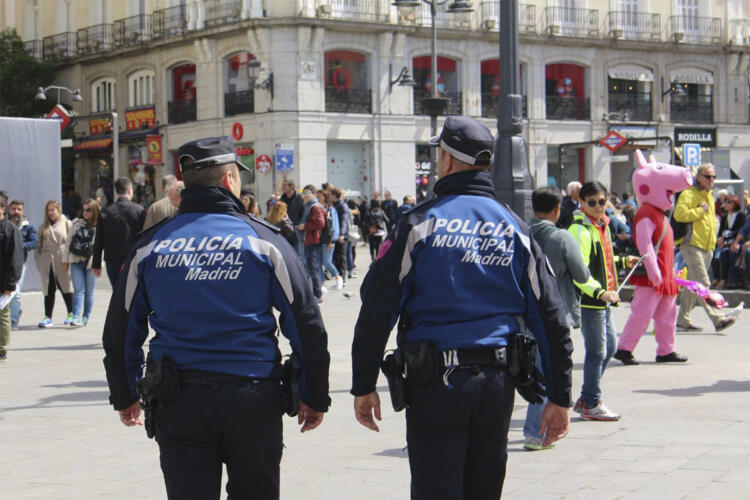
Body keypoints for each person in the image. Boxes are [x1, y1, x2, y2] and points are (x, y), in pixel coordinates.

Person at [351, 116, 573, 498]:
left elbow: (377, 305)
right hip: (497, 382)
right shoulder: (514, 227)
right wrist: (560, 395)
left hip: (435, 382)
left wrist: (363, 382)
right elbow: (551, 317)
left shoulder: (418, 222)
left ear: (448, 161)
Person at [102, 136, 330, 499]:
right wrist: (315, 394)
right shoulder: (264, 241)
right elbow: (305, 321)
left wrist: (124, 392)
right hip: (253, 397)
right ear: (229, 180)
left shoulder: (150, 246)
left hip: (179, 401)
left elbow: (120, 328)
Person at [523, 187, 589, 451]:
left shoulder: (519, 232)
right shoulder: (561, 237)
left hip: (520, 312)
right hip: (552, 311)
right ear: (557, 209)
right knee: (547, 369)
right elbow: (582, 275)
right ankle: (535, 433)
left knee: (527, 367)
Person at [614, 151, 693, 366]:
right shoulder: (646, 212)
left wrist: (669, 271)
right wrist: (653, 270)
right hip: (653, 277)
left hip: (664, 276)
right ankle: (624, 348)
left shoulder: (658, 213)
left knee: (667, 316)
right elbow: (644, 244)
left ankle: (667, 350)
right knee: (642, 314)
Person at [569, 181, 637, 421]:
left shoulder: (601, 225)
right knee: (597, 352)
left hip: (603, 299)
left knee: (608, 348)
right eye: (592, 203)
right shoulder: (581, 230)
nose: (598, 206)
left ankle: (587, 398)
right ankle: (590, 401)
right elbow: (580, 271)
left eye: (602, 201)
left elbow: (604, 261)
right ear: (582, 202)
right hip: (591, 301)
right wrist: (599, 293)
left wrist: (622, 261)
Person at [674, 164, 736, 332]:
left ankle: (683, 320)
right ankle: (718, 318)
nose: (712, 180)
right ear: (699, 177)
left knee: (693, 285)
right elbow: (679, 214)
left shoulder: (708, 195)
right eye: (708, 176)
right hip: (691, 244)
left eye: (714, 177)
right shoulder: (689, 193)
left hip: (707, 246)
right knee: (702, 283)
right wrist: (699, 211)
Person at [92, 177, 146, 287]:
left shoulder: (106, 212)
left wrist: (96, 264)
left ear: (117, 192)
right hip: (134, 257)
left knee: (117, 290)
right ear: (130, 190)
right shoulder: (139, 210)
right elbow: (145, 235)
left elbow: (99, 240)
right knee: (134, 290)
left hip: (113, 258)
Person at [35, 200, 74, 328]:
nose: (50, 213)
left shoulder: (67, 223)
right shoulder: (43, 226)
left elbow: (72, 242)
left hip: (62, 259)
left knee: (66, 287)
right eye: (48, 210)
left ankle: (71, 313)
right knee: (49, 289)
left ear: (58, 210)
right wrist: (38, 261)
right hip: (47, 261)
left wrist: (68, 259)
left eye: (53, 210)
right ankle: (48, 316)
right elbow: (38, 246)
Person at [62, 199, 100, 327]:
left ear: (94, 211)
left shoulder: (100, 225)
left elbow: (102, 246)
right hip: (76, 261)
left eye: (88, 210)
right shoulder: (76, 223)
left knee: (89, 292)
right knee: (79, 290)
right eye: (83, 210)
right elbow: (68, 242)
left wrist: (99, 263)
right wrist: (65, 259)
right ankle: (76, 316)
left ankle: (85, 317)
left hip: (92, 263)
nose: (85, 213)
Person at [7, 200, 39, 329]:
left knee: (16, 291)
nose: (16, 212)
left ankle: (13, 320)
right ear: (9, 210)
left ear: (23, 211)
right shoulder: (5, 225)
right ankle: (13, 313)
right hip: (4, 264)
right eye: (14, 209)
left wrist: (19, 246)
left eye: (19, 209)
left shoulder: (28, 227)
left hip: (20, 263)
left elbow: (34, 242)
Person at [297, 185, 326, 303]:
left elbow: (320, 223)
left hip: (313, 241)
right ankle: (314, 293)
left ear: (314, 194)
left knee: (313, 268)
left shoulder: (314, 207)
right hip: (309, 240)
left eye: (307, 193)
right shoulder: (308, 207)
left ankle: (317, 295)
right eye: (303, 194)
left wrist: (305, 226)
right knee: (310, 267)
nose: (305, 196)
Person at [0, 212, 23, 361]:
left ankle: (2, 349)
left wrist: (10, 283)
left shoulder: (10, 229)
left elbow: (16, 258)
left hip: (2, 281)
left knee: (2, 314)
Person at [712, 195, 745, 289]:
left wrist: (727, 243)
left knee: (727, 253)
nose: (725, 204)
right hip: (725, 242)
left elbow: (740, 232)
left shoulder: (740, 216)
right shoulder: (724, 217)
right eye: (725, 202)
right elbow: (720, 232)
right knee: (714, 252)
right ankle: (716, 277)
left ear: (735, 204)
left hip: (736, 242)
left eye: (729, 202)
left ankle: (726, 279)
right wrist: (719, 239)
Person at [316, 189, 343, 290]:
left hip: (328, 240)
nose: (318, 198)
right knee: (318, 262)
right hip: (319, 240)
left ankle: (338, 277)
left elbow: (334, 226)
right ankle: (322, 284)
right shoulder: (319, 208)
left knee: (327, 262)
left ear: (325, 197)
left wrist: (331, 240)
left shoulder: (331, 209)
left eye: (320, 196)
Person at [331, 188, 351, 286]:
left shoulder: (342, 206)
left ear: (335, 195)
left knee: (341, 257)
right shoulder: (334, 205)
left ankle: (343, 278)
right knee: (336, 257)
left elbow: (344, 220)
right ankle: (339, 278)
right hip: (336, 235)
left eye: (331, 195)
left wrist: (342, 234)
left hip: (342, 236)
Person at [280, 180, 304, 255]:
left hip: (296, 232)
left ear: (292, 187)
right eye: (282, 185)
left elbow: (303, 214)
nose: (283, 187)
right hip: (285, 231)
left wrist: (299, 226)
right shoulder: (282, 199)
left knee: (297, 254)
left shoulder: (300, 199)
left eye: (285, 185)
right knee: (287, 254)